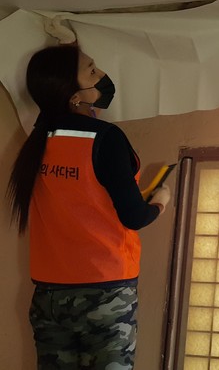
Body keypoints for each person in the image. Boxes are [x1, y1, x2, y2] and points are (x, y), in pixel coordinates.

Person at [6, 19, 172, 369]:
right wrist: (160, 201)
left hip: (50, 296)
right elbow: (133, 216)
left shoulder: (37, 141)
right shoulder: (105, 138)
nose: (102, 75)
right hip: (105, 292)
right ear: (74, 95)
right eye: (92, 70)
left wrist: (68, 45)